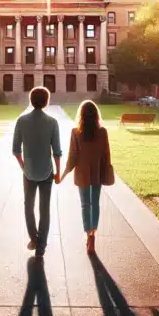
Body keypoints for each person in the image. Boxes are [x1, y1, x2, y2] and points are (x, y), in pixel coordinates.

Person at [12, 86, 62, 257]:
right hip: (47, 171)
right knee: (45, 209)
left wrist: (23, 167)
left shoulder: (21, 121)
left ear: (31, 100)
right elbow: (57, 151)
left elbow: (16, 150)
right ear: (47, 101)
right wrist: (58, 172)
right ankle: (41, 247)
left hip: (29, 172)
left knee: (28, 206)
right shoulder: (52, 122)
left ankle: (34, 238)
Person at [59, 100, 112, 254]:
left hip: (82, 173)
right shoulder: (102, 132)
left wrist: (63, 175)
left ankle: (87, 232)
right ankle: (92, 234)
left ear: (81, 115)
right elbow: (106, 154)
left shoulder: (76, 132)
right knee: (95, 203)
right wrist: (106, 171)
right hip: (97, 172)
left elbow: (72, 156)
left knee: (85, 205)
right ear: (96, 115)